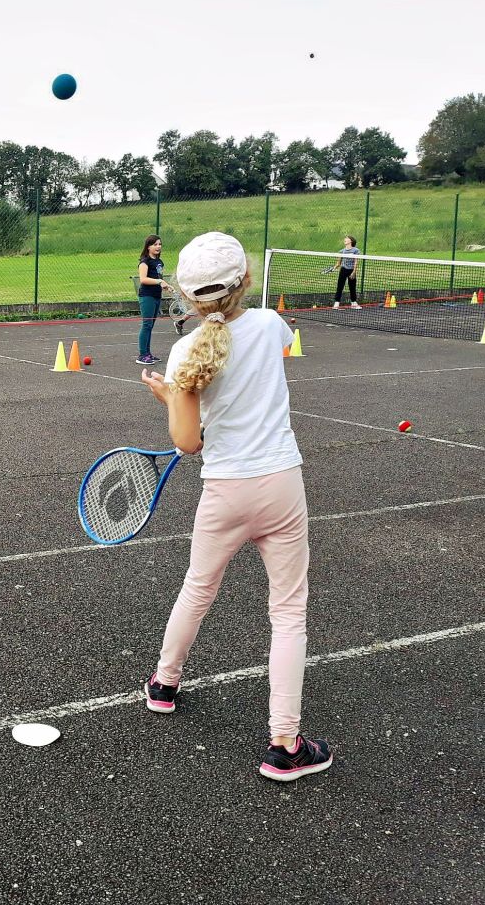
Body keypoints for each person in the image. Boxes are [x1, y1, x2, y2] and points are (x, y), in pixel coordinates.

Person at [140, 231, 331, 783]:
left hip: (225, 490)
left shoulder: (184, 352)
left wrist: (172, 397)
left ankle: (164, 684)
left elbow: (187, 442)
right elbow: (248, 361)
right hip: (280, 484)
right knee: (288, 611)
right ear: (246, 278)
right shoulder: (270, 324)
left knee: (198, 588)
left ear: (185, 295)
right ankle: (285, 744)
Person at [136, 234, 179, 365]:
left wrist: (166, 286)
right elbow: (143, 279)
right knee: (147, 324)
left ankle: (148, 353)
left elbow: (158, 279)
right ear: (148, 247)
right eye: (155, 244)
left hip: (156, 296)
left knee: (151, 325)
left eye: (160, 244)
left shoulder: (159, 262)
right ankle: (142, 355)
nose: (158, 246)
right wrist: (159, 281)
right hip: (147, 296)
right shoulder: (144, 262)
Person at [332, 235, 362, 309]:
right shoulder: (342, 251)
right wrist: (334, 267)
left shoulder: (356, 250)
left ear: (351, 241)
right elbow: (338, 263)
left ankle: (353, 303)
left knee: (352, 287)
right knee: (340, 286)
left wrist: (354, 272)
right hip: (343, 270)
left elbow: (356, 262)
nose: (345, 239)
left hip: (351, 270)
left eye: (347, 238)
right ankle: (336, 303)